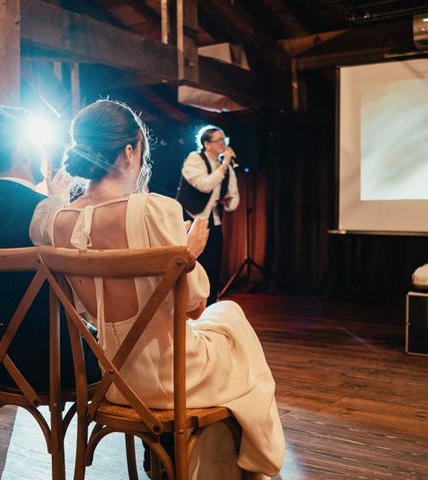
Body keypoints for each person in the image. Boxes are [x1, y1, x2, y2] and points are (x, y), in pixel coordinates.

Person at [50, 100, 284, 479]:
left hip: (111, 381)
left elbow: (78, 309)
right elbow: (193, 307)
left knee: (228, 323)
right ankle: (251, 463)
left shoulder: (58, 220)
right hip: (168, 381)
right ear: (129, 152)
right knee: (231, 317)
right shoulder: (153, 210)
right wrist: (187, 254)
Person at [0, 105, 101, 391]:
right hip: (64, 362)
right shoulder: (44, 211)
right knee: (135, 351)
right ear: (23, 147)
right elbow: (83, 293)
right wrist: (58, 204)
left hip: (5, 366)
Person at [176, 126, 240, 305]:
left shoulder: (226, 169)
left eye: (224, 140)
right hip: (190, 219)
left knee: (213, 269)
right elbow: (204, 185)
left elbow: (234, 199)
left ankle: (210, 308)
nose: (223, 144)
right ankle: (188, 308)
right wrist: (225, 164)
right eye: (218, 140)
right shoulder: (194, 159)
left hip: (214, 223)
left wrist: (227, 201)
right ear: (206, 143)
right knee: (191, 267)